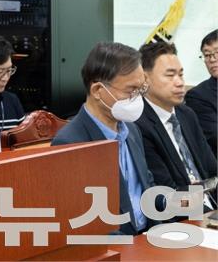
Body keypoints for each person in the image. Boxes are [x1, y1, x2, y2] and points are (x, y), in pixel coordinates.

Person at [52, 42, 154, 235]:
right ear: (98, 90)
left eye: (141, 90)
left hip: (148, 239)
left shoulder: (132, 130)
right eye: (131, 90)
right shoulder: (69, 144)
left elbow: (146, 187)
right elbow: (83, 221)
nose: (137, 98)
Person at [135, 42, 216, 210]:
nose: (180, 83)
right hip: (181, 214)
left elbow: (212, 169)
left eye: (181, 74)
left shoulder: (186, 114)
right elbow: (165, 195)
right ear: (145, 79)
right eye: (170, 75)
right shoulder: (138, 124)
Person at [186, 29, 217, 153]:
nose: (212, 59)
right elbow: (215, 136)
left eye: (217, 52)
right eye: (207, 55)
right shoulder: (197, 96)